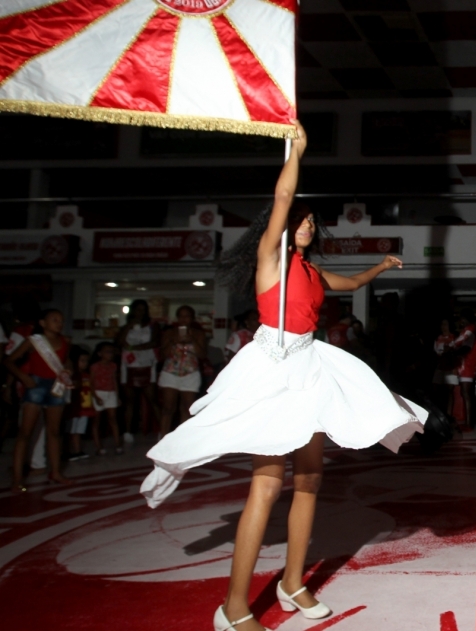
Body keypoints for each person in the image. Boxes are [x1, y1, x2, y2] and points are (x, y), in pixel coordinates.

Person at [138, 121, 427, 631]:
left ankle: (292, 582)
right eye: (301, 219)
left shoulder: (312, 272)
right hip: (272, 369)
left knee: (311, 478)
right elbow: (283, 195)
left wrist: (381, 268)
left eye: (312, 220)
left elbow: (350, 282)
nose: (308, 224)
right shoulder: (270, 259)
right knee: (267, 485)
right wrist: (296, 151)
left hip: (309, 367)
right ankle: (233, 608)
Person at [4, 308, 73, 491]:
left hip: (56, 386)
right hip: (36, 385)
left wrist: (68, 370)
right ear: (42, 323)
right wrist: (23, 377)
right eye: (54, 320)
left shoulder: (65, 341)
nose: (59, 323)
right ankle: (17, 478)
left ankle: (55, 472)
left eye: (61, 320)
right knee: (25, 433)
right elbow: (9, 361)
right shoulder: (33, 341)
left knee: (54, 432)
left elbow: (66, 361)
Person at [157, 305, 207, 438]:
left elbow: (202, 355)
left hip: (190, 373)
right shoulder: (169, 333)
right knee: (168, 407)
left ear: (192, 318)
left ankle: (182, 438)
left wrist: (193, 341)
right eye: (181, 316)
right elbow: (162, 355)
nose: (184, 319)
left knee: (187, 407)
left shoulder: (198, 334)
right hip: (170, 372)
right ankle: (163, 437)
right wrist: (173, 342)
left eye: (187, 316)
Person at [115, 298, 160, 442]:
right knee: (130, 401)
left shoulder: (152, 326)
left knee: (152, 399)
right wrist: (129, 326)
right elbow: (119, 342)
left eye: (143, 310)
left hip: (147, 365)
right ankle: (128, 432)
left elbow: (154, 342)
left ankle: (163, 431)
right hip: (129, 366)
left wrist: (133, 348)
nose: (140, 312)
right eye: (138, 309)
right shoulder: (126, 326)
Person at [91, 342, 123, 455]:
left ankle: (118, 444)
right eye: (107, 352)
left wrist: (117, 396)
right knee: (97, 420)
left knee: (113, 419)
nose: (110, 354)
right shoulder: (95, 367)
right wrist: (95, 396)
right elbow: (91, 382)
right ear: (100, 354)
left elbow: (114, 381)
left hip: (111, 393)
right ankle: (98, 446)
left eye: (111, 352)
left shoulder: (113, 366)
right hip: (98, 392)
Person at [67, 347, 96, 460]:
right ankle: (70, 451)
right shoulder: (71, 375)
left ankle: (77, 451)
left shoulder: (87, 375)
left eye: (87, 361)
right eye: (82, 360)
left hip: (85, 407)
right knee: (71, 430)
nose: (85, 363)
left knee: (78, 430)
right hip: (74, 408)